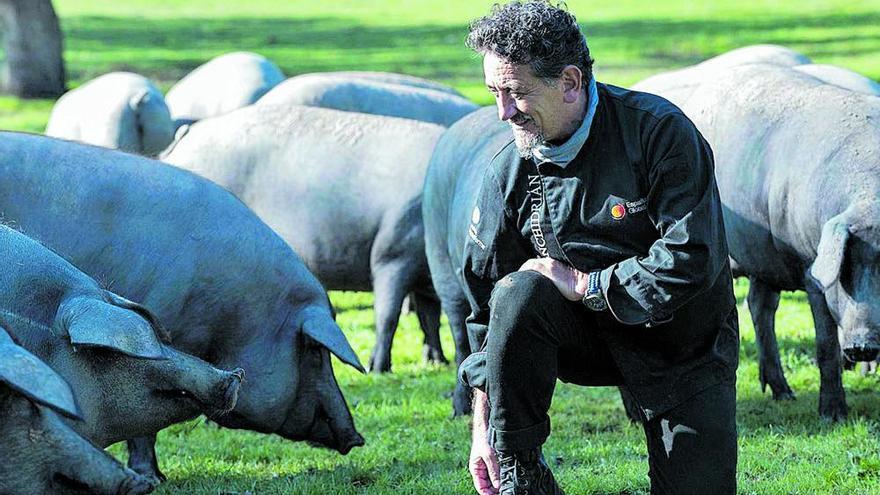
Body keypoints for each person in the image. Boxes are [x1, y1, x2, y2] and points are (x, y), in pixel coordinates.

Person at [458, 2, 740, 494]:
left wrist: (585, 283)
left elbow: (691, 257)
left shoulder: (659, 133)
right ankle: (520, 469)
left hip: (683, 345)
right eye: (494, 93)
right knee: (517, 291)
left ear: (570, 81)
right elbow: (486, 311)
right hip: (581, 341)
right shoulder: (508, 169)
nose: (502, 112)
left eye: (517, 93)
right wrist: (485, 432)